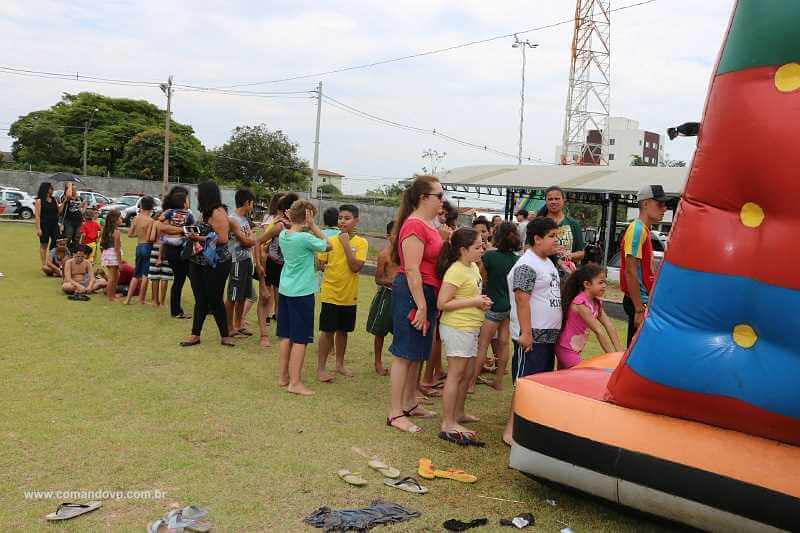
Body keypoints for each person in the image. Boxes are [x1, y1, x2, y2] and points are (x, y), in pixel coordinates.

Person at [386, 175, 444, 434]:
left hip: (426, 293)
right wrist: (420, 305)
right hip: (413, 293)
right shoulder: (414, 225)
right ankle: (395, 413)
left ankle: (409, 402)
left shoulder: (428, 224)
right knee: (404, 353)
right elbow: (411, 269)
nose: (442, 201)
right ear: (423, 198)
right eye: (439, 196)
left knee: (417, 352)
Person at [502, 217, 563, 445]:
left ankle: (529, 427)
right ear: (537, 239)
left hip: (547, 336)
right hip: (532, 337)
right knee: (524, 384)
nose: (556, 241)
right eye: (552, 236)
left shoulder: (547, 262)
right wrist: (526, 333)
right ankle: (510, 430)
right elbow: (522, 299)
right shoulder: (527, 264)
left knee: (538, 385)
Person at [180, 181, 254, 348]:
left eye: (199, 192)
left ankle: (225, 335)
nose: (196, 195)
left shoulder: (218, 212)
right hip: (198, 260)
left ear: (206, 194)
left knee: (215, 299)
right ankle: (195, 335)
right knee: (200, 299)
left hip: (216, 263)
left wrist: (197, 238)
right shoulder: (205, 213)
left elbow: (222, 239)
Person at [436, 228, 491, 446]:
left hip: (470, 327)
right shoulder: (456, 270)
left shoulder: (473, 267)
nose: (482, 249)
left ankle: (458, 413)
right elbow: (442, 303)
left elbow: (469, 295)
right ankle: (448, 422)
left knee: (466, 373)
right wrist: (475, 302)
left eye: (482, 245)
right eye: (477, 246)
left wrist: (480, 301)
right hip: (457, 328)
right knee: (456, 375)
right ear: (462, 250)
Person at [276, 200, 331, 396]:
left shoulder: (283, 235)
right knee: (300, 339)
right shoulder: (305, 238)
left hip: (286, 290)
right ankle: (295, 383)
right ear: (308, 216)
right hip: (302, 293)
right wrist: (313, 226)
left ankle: (283, 376)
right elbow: (329, 245)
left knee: (286, 335)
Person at [316, 204, 368, 382]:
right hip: (330, 293)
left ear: (356, 221)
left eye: (347, 218)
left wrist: (346, 244)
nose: (342, 221)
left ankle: (339, 364)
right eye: (340, 218)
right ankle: (321, 368)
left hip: (349, 295)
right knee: (327, 332)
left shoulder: (361, 243)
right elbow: (320, 264)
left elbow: (355, 267)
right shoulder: (330, 240)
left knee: (343, 331)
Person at [471, 221, 521, 391]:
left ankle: (471, 383)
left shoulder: (490, 257)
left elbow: (480, 279)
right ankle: (498, 381)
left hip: (492, 306)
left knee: (483, 344)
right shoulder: (518, 260)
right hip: (509, 307)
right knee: (504, 343)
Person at [621, 184, 668, 345]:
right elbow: (630, 271)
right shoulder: (637, 230)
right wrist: (639, 308)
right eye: (660, 204)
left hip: (641, 300)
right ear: (646, 203)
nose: (664, 208)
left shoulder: (644, 230)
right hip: (639, 302)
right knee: (637, 350)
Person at [556, 264, 623, 368]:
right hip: (565, 349)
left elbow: (609, 325)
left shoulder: (596, 303)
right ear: (587, 284)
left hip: (574, 349)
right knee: (582, 372)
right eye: (600, 282)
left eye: (605, 282)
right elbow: (599, 331)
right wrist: (612, 357)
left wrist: (619, 353)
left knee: (563, 376)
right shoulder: (580, 304)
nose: (604, 286)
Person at [366, 221, 398, 376]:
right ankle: (377, 362)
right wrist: (394, 282)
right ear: (388, 236)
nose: (398, 236)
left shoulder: (407, 255)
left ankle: (398, 364)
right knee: (380, 331)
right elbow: (378, 279)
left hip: (403, 297)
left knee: (401, 331)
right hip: (387, 295)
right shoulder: (384, 255)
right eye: (395, 233)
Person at [225, 189, 257, 337]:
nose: (253, 205)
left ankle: (238, 326)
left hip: (246, 259)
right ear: (247, 203)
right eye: (252, 203)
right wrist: (250, 238)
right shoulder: (233, 219)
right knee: (233, 296)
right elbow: (246, 241)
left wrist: (250, 238)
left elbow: (251, 239)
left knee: (243, 295)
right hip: (236, 260)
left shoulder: (244, 219)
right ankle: (229, 328)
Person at [159, 187, 195, 319]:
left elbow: (160, 221)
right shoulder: (188, 214)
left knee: (179, 280)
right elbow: (193, 229)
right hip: (181, 250)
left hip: (170, 248)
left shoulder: (169, 212)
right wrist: (183, 230)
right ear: (184, 203)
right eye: (187, 199)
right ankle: (177, 311)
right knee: (183, 279)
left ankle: (176, 310)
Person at [261, 193, 299, 319]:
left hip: (284, 263)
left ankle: (278, 316)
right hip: (273, 261)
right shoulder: (278, 224)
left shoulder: (294, 225)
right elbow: (262, 240)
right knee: (268, 293)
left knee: (280, 293)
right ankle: (266, 317)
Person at [538, 186, 585, 272]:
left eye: (557, 199)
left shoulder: (573, 224)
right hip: (542, 272)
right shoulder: (538, 223)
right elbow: (527, 248)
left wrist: (569, 255)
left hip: (566, 274)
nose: (553, 202)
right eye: (550, 199)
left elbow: (581, 253)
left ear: (564, 200)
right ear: (546, 201)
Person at [125, 196, 156, 305]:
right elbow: (150, 238)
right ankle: (141, 299)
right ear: (152, 207)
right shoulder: (151, 221)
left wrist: (138, 235)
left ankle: (128, 299)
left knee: (136, 274)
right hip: (147, 246)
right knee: (145, 275)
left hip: (139, 246)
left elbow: (129, 234)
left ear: (141, 206)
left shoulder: (136, 218)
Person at [34, 182, 60, 265]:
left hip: (54, 224)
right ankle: (44, 264)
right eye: (51, 188)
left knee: (56, 241)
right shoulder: (39, 201)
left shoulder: (54, 199)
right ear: (46, 189)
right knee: (44, 244)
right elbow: (37, 216)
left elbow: (59, 211)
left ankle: (51, 261)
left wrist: (65, 201)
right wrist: (38, 229)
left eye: (52, 188)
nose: (52, 190)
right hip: (44, 224)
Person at [147, 221, 172, 307]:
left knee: (155, 276)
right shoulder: (171, 223)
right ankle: (162, 302)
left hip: (155, 248)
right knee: (165, 276)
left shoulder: (156, 223)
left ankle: (155, 301)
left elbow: (151, 238)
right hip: (168, 249)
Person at [100, 210, 123, 302]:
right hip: (113, 255)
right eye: (120, 218)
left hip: (107, 254)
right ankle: (110, 297)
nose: (122, 219)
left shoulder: (106, 230)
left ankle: (113, 294)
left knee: (115, 276)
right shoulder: (116, 231)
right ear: (115, 219)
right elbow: (117, 249)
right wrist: (120, 263)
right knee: (112, 278)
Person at [60, 182, 85, 252]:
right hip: (69, 221)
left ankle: (74, 253)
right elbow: (68, 196)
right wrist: (70, 184)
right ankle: (66, 253)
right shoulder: (65, 197)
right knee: (68, 237)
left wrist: (82, 210)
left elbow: (84, 204)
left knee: (77, 238)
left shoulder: (79, 198)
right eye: (73, 189)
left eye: (75, 189)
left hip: (78, 221)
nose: (75, 191)